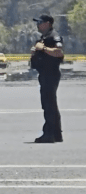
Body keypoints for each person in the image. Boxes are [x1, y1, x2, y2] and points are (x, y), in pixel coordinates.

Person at [30, 14, 64, 143]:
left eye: (40, 22)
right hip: (45, 73)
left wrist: (43, 48)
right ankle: (56, 134)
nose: (38, 25)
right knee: (49, 104)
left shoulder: (53, 36)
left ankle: (50, 134)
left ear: (48, 23)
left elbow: (59, 52)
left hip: (51, 73)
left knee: (49, 105)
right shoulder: (44, 37)